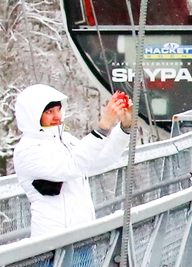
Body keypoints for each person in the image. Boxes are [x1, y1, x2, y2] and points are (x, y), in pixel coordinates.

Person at [11, 84, 133, 238]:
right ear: (32, 115)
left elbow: (100, 158)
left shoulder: (65, 140)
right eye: (49, 112)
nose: (57, 117)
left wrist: (124, 128)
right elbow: (71, 166)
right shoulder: (27, 150)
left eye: (58, 110)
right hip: (53, 242)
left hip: (82, 235)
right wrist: (103, 128)